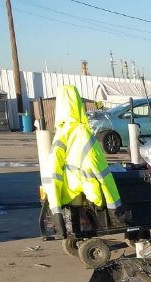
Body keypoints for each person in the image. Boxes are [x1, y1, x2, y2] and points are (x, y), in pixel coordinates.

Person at [43, 85, 122, 229]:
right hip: (89, 191)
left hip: (67, 194)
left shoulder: (61, 134)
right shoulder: (83, 133)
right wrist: (114, 207)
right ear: (78, 104)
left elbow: (53, 172)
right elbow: (102, 171)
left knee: (77, 224)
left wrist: (56, 211)